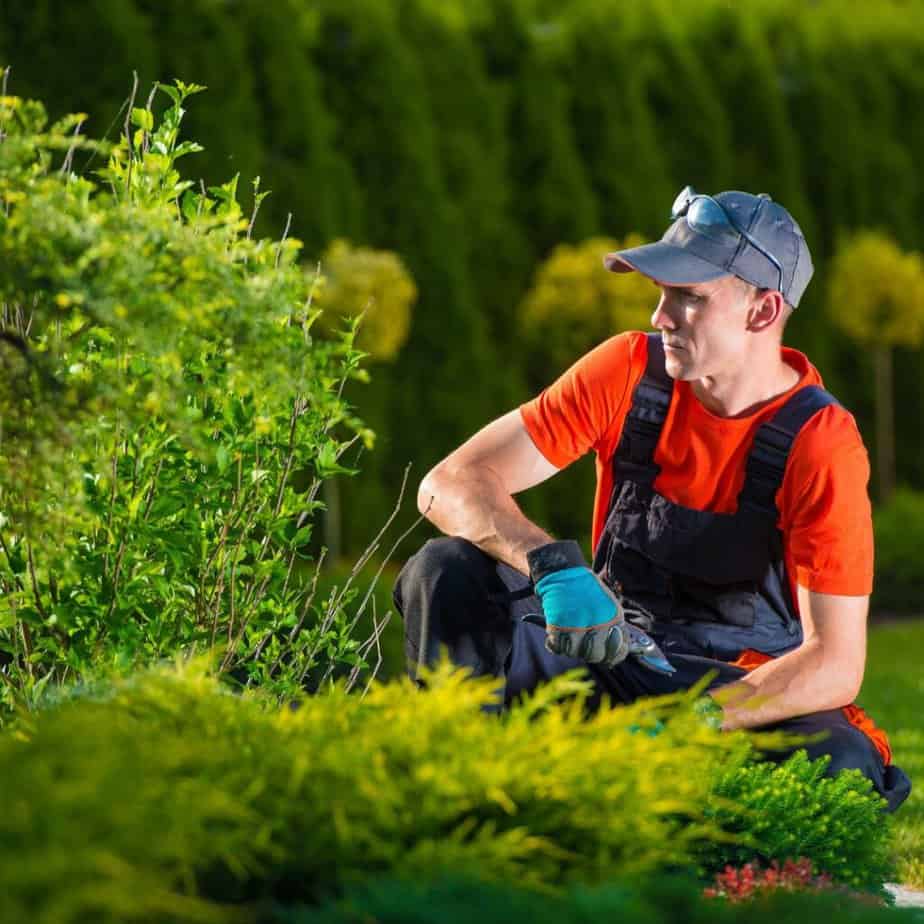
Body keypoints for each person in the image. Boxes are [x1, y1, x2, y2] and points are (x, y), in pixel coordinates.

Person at [393, 187, 911, 812]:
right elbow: (446, 483)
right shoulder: (627, 371)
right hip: (606, 652)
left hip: (730, 693)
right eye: (663, 292)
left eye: (690, 298)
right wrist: (550, 565)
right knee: (444, 571)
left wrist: (684, 725)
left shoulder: (820, 443)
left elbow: (835, 663)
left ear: (763, 309)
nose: (662, 316)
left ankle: (639, 806)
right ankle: (463, 806)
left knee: (840, 763)